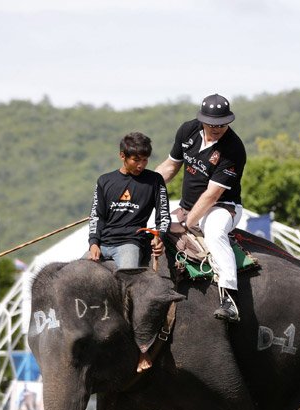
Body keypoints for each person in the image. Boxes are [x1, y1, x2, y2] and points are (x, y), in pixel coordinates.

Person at [155, 93, 247, 322]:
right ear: (202, 119)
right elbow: (170, 167)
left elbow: (212, 195)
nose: (217, 128)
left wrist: (186, 224)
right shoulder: (188, 130)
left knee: (215, 232)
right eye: (212, 124)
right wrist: (142, 187)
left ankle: (230, 299)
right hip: (186, 206)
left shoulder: (233, 148)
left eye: (223, 124)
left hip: (222, 207)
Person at [87, 132, 169, 269]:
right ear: (122, 156)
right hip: (102, 243)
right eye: (136, 160)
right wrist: (93, 243)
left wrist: (160, 238)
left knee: (129, 279)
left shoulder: (155, 181)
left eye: (145, 160)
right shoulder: (104, 181)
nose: (141, 165)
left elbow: (164, 217)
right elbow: (97, 216)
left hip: (130, 244)